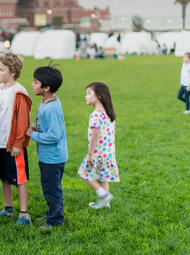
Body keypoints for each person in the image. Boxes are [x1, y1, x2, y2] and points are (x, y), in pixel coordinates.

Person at [0, 53, 32, 226]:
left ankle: (24, 214)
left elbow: (22, 121)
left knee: (19, 179)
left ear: (12, 72)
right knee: (4, 177)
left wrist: (18, 143)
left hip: (13, 144)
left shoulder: (19, 92)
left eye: (1, 69)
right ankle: (8, 209)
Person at [25, 65, 67, 230]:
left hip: (53, 157)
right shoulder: (48, 101)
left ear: (46, 87)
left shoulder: (51, 109)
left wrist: (31, 134)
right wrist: (37, 129)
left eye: (36, 82)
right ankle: (52, 213)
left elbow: (54, 136)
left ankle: (55, 220)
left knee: (52, 189)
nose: (32, 85)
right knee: (48, 187)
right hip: (48, 156)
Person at [77, 82, 119, 210]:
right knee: (102, 178)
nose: (86, 96)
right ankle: (105, 204)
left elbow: (95, 135)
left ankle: (103, 195)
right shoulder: (108, 113)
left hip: (97, 153)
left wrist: (90, 153)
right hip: (108, 153)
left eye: (89, 93)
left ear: (99, 96)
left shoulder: (95, 115)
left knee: (84, 173)